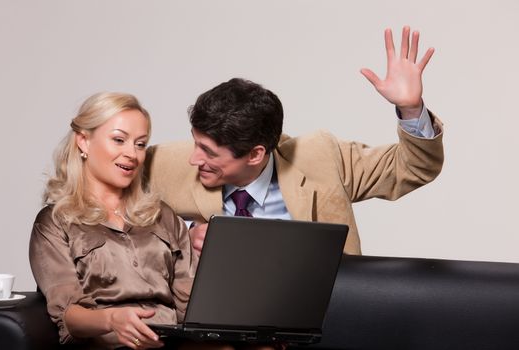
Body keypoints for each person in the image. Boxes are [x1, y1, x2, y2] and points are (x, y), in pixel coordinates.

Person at [145, 26, 444, 255]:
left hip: (316, 319)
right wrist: (185, 232)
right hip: (215, 323)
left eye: (209, 152)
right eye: (196, 143)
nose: (194, 158)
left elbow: (414, 168)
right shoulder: (162, 164)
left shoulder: (323, 157)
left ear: (254, 154)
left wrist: (411, 108)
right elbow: (104, 204)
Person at [29, 92, 198, 349]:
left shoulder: (162, 215)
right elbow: (68, 315)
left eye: (140, 144)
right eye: (119, 140)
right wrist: (112, 319)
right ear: (84, 141)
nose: (132, 154)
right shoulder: (55, 222)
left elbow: (190, 304)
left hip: (170, 342)